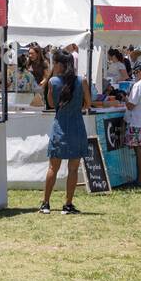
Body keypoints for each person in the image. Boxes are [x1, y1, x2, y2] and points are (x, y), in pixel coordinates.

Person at [40, 51, 90, 214]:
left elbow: (52, 104)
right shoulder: (82, 81)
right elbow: (88, 103)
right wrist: (76, 107)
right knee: (73, 169)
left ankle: (45, 203)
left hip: (60, 126)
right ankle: (68, 204)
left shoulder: (53, 82)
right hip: (76, 126)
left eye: (54, 63)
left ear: (60, 64)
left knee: (52, 168)